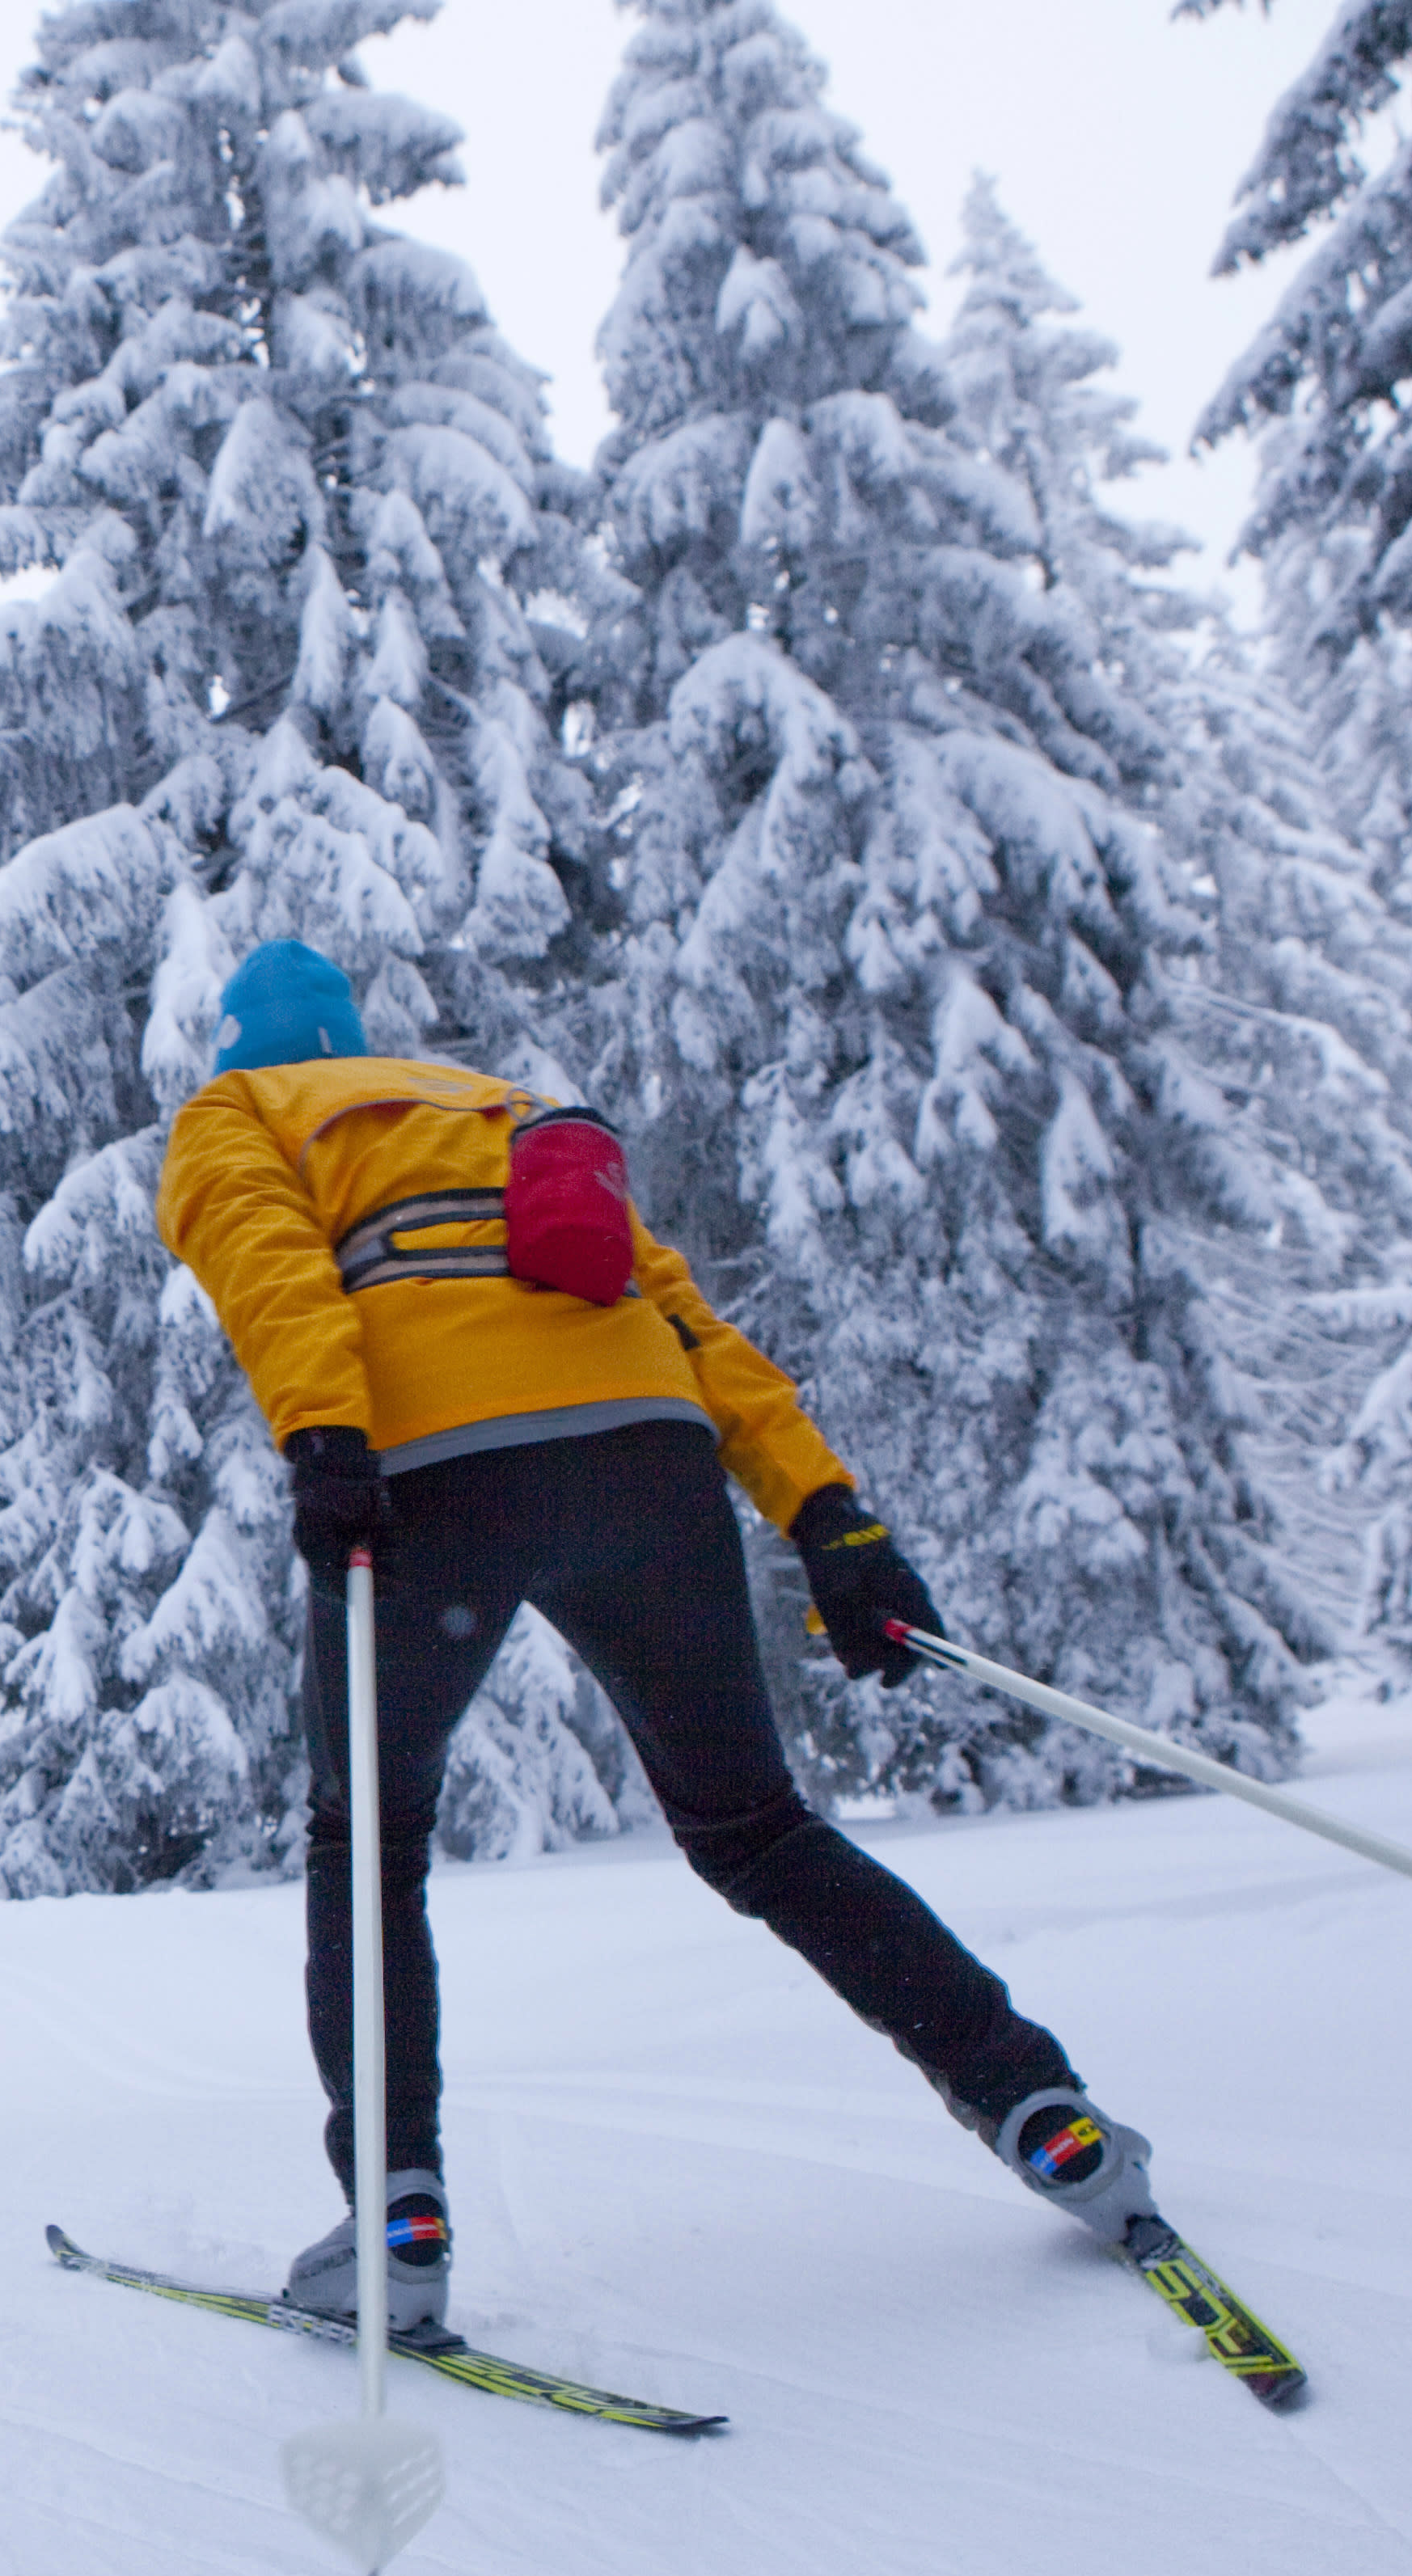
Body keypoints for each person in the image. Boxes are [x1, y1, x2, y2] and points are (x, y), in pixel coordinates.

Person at [154, 939, 1162, 2346]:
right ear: (352, 1035)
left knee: (367, 1845)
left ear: (240, 1052)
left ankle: (398, 2223)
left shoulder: (236, 1115)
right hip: (646, 1459)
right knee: (758, 1830)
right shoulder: (489, 1105)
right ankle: (1042, 2110)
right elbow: (684, 1316)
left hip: (433, 1473)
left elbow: (270, 1264)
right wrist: (830, 1519)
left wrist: (323, 1435)